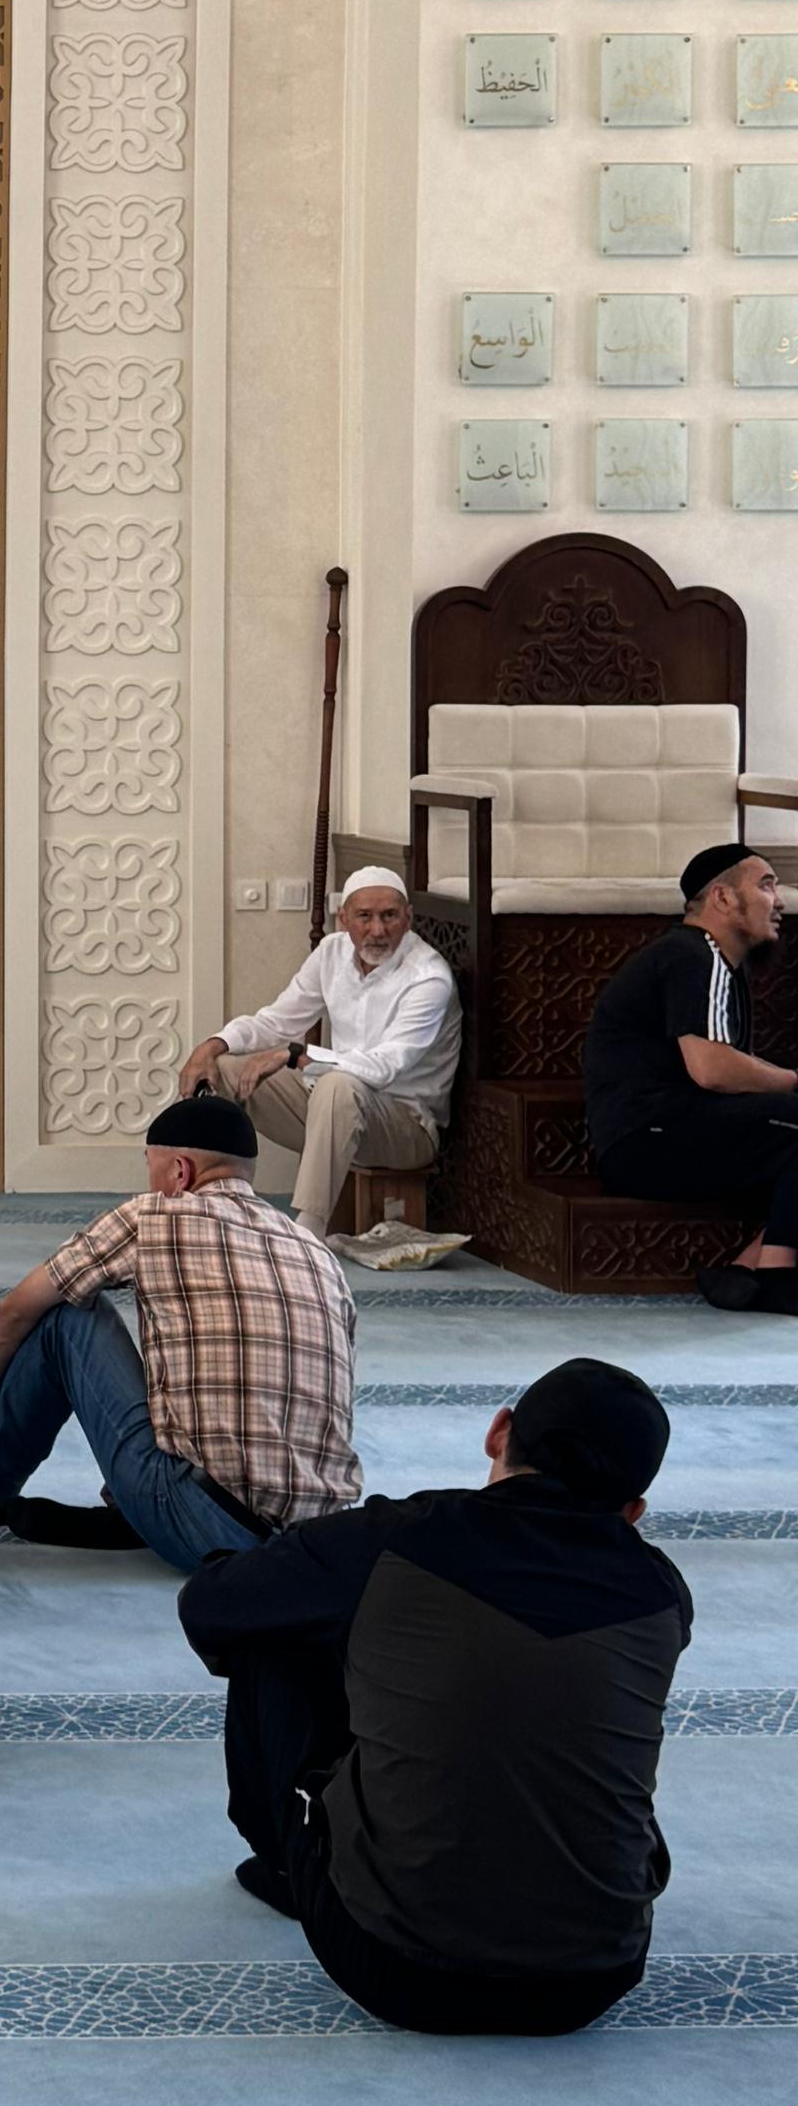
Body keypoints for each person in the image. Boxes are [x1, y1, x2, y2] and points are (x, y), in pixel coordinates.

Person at [178, 1359, 688, 2036]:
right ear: (633, 1511)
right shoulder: (663, 1595)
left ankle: (291, 1867)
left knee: (274, 1621)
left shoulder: (395, 1540)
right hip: (593, 1979)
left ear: (498, 1432)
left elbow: (209, 1607)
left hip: (396, 1969)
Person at [0, 1090, 359, 1567]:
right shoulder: (316, 1253)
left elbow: (15, 1311)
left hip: (202, 1523)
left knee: (69, 1314)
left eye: (150, 1165)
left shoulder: (154, 1216)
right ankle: (132, 1514)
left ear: (180, 1172)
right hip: (313, 1542)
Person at [176, 866, 462, 1238]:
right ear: (343, 918)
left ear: (408, 918)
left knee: (338, 1085)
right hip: (332, 1111)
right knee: (223, 1070)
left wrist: (296, 1054)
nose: (377, 930)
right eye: (365, 916)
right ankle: (208, 1202)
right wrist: (210, 1047)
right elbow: (277, 1021)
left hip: (406, 1129)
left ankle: (308, 1234)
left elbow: (385, 1068)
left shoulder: (428, 977)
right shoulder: (332, 952)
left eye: (389, 916)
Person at [582, 844, 798, 1312]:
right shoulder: (694, 955)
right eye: (766, 885)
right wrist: (794, 1081)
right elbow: (712, 1070)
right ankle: (778, 1276)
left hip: (654, 1139)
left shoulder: (713, 962)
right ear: (722, 897)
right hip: (650, 1139)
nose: (779, 901)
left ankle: (744, 1270)